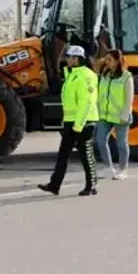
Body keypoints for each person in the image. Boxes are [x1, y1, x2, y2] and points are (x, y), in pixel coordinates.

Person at [39, 45, 100, 196]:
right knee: (63, 155)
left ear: (77, 59)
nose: (67, 59)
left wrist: (79, 125)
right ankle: (54, 185)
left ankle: (91, 185)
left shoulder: (87, 76)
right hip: (70, 121)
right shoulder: (71, 75)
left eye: (70, 57)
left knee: (86, 155)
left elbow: (87, 102)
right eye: (67, 57)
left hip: (85, 122)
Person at [95, 49, 134, 180]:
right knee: (100, 141)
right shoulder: (104, 75)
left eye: (109, 59)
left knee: (122, 144)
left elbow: (129, 98)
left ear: (117, 61)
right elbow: (100, 94)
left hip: (120, 116)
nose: (106, 62)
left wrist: (125, 115)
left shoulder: (126, 77)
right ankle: (108, 167)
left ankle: (123, 170)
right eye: (106, 59)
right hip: (105, 115)